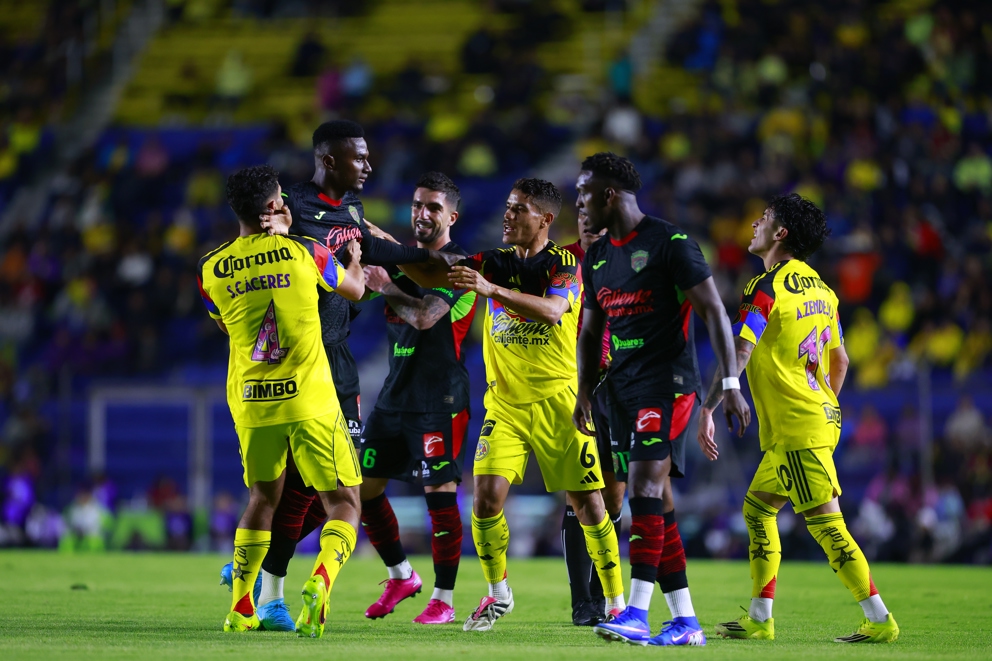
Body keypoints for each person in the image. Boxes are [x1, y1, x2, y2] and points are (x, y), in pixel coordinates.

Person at [219, 120, 459, 631]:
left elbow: (376, 252)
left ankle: (266, 581)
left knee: (311, 490)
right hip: (306, 360)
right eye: (359, 157)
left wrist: (435, 259)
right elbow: (267, 254)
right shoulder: (292, 207)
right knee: (313, 491)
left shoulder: (351, 208)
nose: (369, 166)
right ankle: (273, 587)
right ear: (329, 160)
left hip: (336, 357)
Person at [402, 178, 626, 632]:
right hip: (504, 406)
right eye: (507, 207)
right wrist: (376, 244)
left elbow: (554, 310)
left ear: (544, 219)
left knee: (589, 505)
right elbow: (435, 272)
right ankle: (498, 593)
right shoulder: (494, 261)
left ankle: (617, 603)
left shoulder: (564, 264)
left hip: (560, 403)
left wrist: (491, 290)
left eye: (518, 209)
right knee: (484, 499)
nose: (507, 215)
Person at [700, 193, 900, 644]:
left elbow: (741, 350)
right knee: (757, 510)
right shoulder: (823, 291)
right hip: (815, 416)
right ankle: (759, 618)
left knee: (826, 523)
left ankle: (879, 619)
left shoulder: (765, 287)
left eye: (764, 218)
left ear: (780, 233)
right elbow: (841, 361)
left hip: (795, 426)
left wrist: (710, 405)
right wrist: (821, 404)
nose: (755, 223)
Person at [572, 152, 750, 647]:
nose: (579, 203)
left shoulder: (670, 243)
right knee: (660, 502)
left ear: (610, 195)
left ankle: (635, 613)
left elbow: (714, 312)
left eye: (584, 193)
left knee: (643, 487)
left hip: (667, 384)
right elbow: (591, 331)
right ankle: (685, 621)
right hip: (620, 390)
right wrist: (585, 391)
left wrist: (730, 384)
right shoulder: (597, 257)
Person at [198, 165, 365, 637]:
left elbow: (226, 325)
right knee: (344, 502)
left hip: (253, 403)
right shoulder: (307, 251)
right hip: (310, 400)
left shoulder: (210, 268)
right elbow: (355, 288)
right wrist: (353, 258)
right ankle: (321, 580)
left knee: (262, 500)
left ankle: (240, 609)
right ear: (274, 207)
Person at [358, 172, 477, 624]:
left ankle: (443, 600)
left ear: (452, 216)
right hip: (395, 394)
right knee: (364, 490)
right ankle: (401, 575)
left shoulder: (459, 267)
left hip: (439, 398)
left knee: (439, 498)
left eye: (433, 207)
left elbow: (427, 317)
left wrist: (385, 287)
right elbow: (382, 245)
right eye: (417, 205)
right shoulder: (408, 261)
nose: (422, 213)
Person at [560, 218, 619, 626]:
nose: (588, 223)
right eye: (583, 215)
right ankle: (582, 602)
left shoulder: (629, 262)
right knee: (580, 494)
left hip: (617, 385)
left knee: (613, 498)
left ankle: (602, 595)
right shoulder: (562, 261)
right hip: (571, 385)